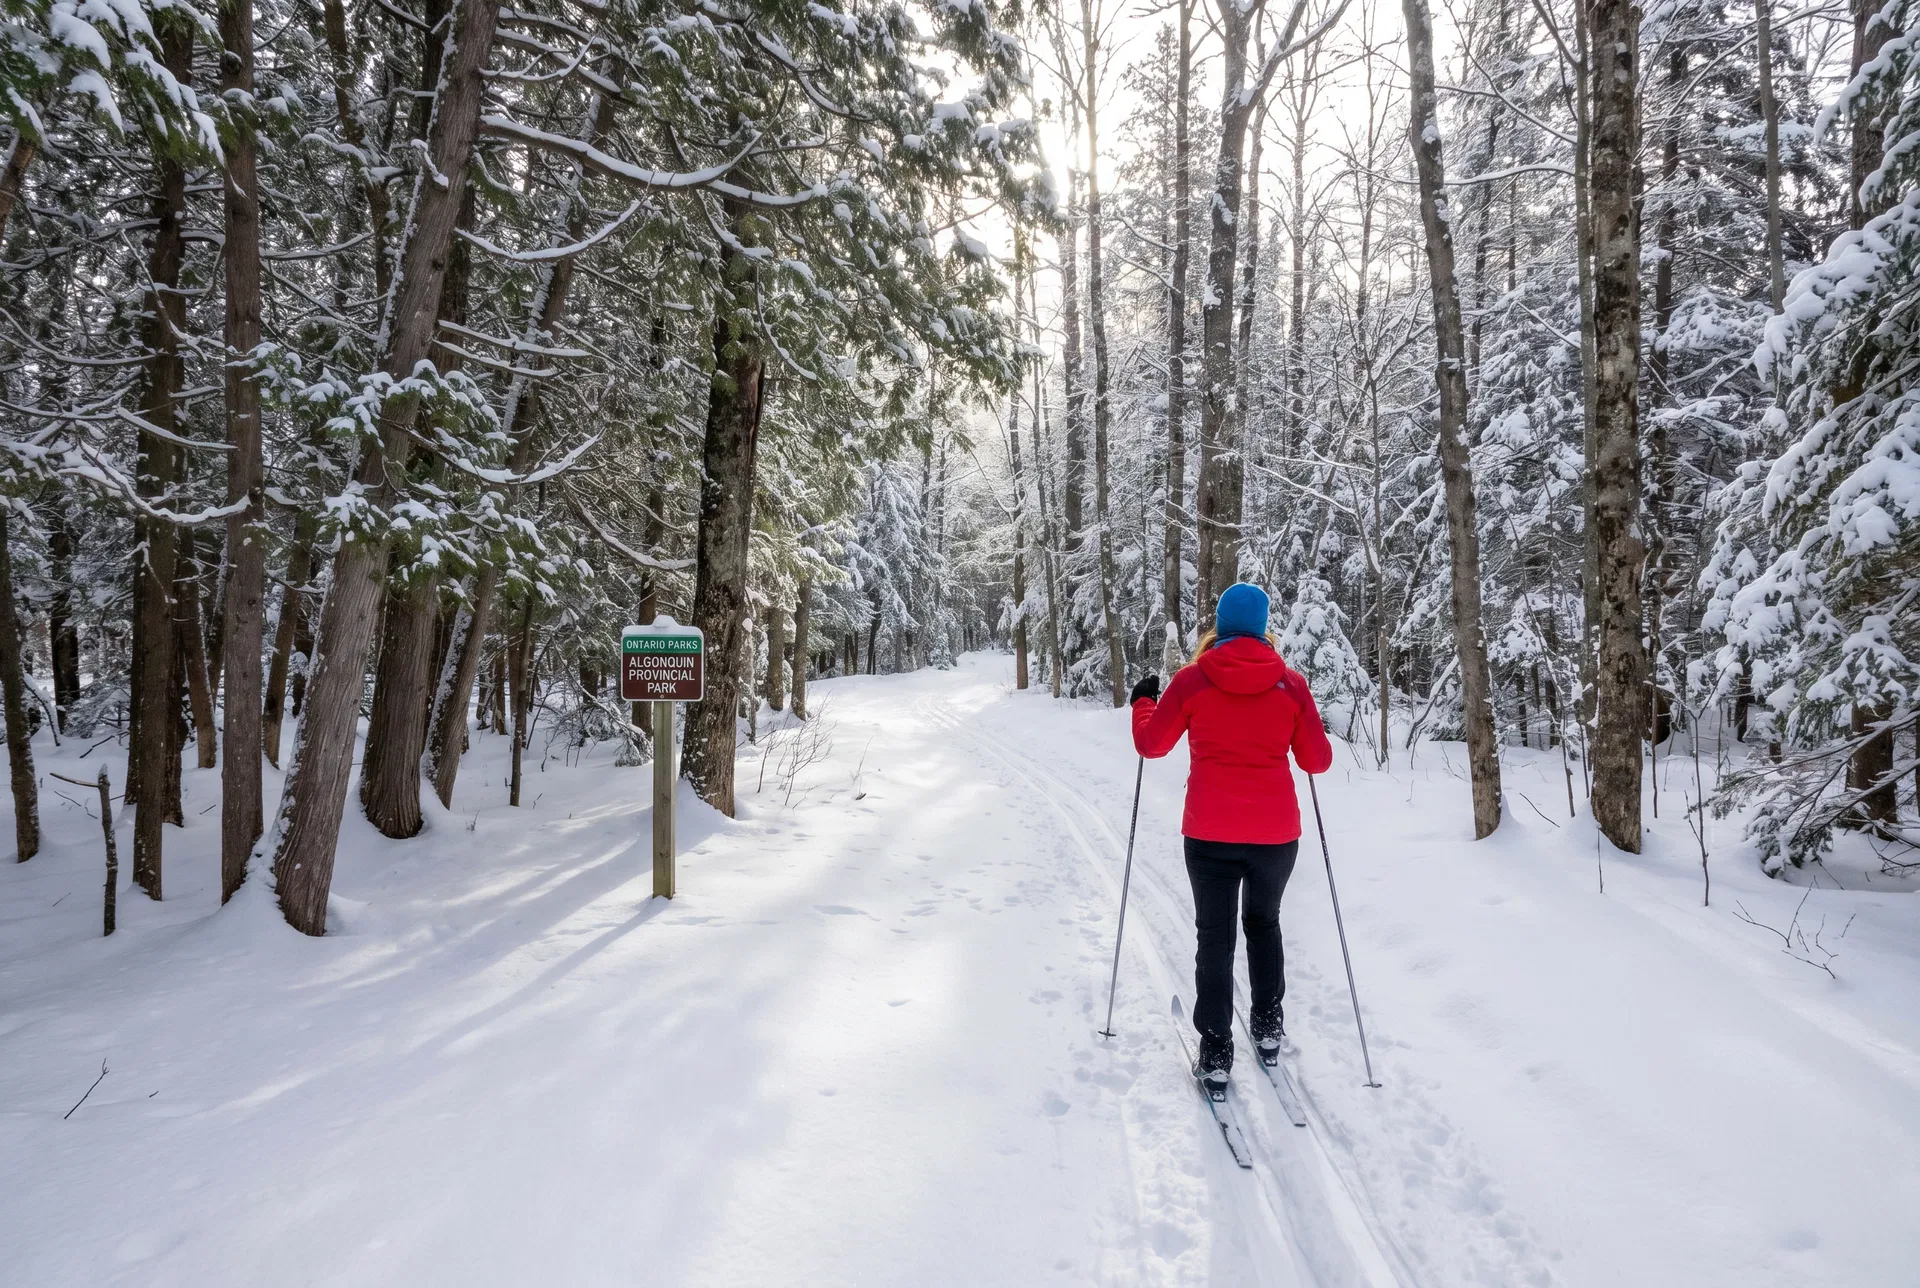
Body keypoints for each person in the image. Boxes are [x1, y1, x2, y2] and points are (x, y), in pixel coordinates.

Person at [1129, 582, 1333, 1088]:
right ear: (1264, 627)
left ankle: (1216, 1052)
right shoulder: (1291, 684)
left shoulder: (1194, 680)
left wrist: (1142, 703)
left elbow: (1151, 745)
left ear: (1219, 624)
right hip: (1275, 836)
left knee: (1214, 938)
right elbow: (1317, 760)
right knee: (1264, 925)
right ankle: (1267, 1028)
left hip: (1209, 833)